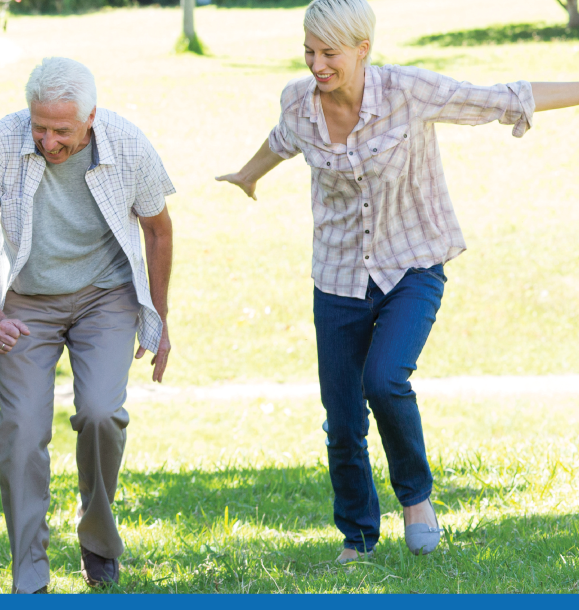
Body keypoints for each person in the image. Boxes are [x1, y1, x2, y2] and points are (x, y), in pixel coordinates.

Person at [216, 0, 579, 564]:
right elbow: (282, 139)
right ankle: (358, 537)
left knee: (384, 381)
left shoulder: (410, 91)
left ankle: (416, 499)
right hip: (337, 275)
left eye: (330, 53)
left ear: (364, 50)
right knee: (342, 419)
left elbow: (503, 98)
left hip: (413, 262)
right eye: (309, 52)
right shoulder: (298, 101)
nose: (317, 65)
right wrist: (247, 174)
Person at [0, 57, 176, 591]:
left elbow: (159, 232)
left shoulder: (127, 144)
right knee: (22, 431)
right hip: (27, 301)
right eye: (40, 126)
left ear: (91, 117)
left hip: (107, 295)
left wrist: (160, 318)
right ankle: (29, 568)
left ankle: (97, 541)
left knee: (101, 413)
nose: (49, 141)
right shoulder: (0, 143)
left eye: (62, 130)